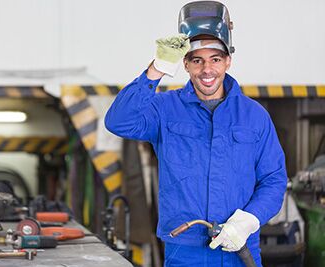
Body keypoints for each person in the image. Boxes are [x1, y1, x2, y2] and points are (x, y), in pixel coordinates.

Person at [105, 1, 287, 266]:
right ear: (186, 64)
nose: (207, 70)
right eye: (197, 60)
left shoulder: (254, 116)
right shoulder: (165, 108)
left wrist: (250, 219)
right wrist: (157, 68)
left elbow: (274, 179)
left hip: (241, 248)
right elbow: (119, 121)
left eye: (215, 59)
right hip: (185, 250)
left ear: (228, 61)